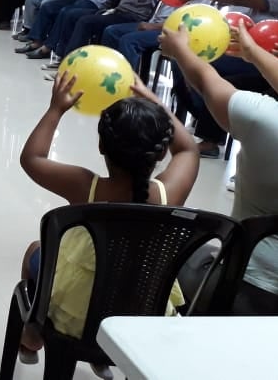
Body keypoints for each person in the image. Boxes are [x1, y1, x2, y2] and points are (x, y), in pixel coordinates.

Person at [16, 74, 197, 378]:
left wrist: (56, 109)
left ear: (101, 145)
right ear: (161, 151)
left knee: (34, 250)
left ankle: (32, 334)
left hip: (77, 320)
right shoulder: (168, 194)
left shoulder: (85, 187)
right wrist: (156, 103)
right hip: (144, 318)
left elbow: (31, 158)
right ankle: (105, 355)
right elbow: (189, 149)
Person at [160, 20, 278, 314]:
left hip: (248, 286)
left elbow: (205, 81)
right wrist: (255, 54)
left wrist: (180, 49)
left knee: (168, 251)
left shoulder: (265, 120)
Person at [165, 0, 278, 157]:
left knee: (207, 69)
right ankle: (202, 113)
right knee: (181, 59)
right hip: (239, 53)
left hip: (261, 62)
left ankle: (210, 140)